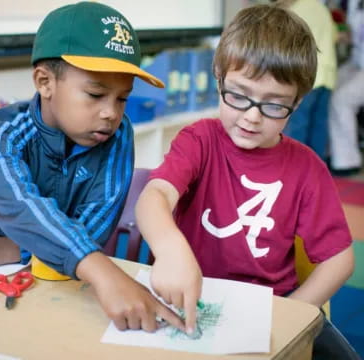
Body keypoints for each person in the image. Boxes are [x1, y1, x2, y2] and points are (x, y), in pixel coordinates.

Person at [0, 1, 185, 333]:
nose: (112, 113)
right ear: (44, 82)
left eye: (122, 98)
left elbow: (95, 227)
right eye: (96, 94)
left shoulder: (117, 134)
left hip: (57, 276)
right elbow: (19, 206)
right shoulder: (0, 135)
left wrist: (11, 249)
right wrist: (102, 272)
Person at [136, 4, 359, 358]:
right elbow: (154, 197)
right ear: (219, 76)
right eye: (238, 95)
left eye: (274, 105)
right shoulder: (199, 141)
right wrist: (171, 250)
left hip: (271, 305)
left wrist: (293, 312)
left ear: (297, 102)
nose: (252, 117)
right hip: (194, 300)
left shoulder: (307, 168)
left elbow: (340, 260)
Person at [276, 0, 338, 162]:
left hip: (306, 75)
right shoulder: (321, 8)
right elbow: (335, 36)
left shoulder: (296, 11)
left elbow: (286, 44)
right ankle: (317, 170)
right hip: (327, 75)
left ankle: (294, 170)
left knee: (297, 125)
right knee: (319, 126)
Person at [328, 0, 364, 176]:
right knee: (329, 88)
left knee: (342, 99)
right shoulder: (353, 3)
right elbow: (352, 33)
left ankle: (348, 161)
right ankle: (332, 152)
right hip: (357, 61)